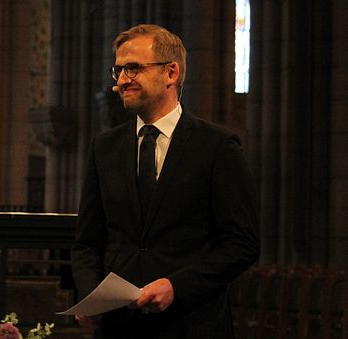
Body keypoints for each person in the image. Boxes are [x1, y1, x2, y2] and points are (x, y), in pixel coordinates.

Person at [71, 24, 259, 338]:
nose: (122, 81)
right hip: (120, 327)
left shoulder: (217, 146)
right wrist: (90, 296)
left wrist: (175, 286)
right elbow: (88, 242)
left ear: (171, 73)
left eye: (133, 68)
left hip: (191, 324)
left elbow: (242, 245)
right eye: (118, 70)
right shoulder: (104, 147)